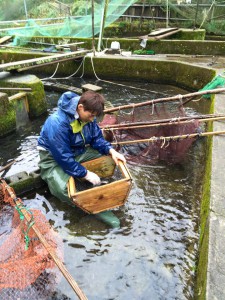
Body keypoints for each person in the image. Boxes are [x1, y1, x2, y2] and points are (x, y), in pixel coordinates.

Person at [37, 90, 126, 226]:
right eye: (91, 116)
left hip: (78, 151)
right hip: (53, 159)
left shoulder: (89, 115)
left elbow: (96, 138)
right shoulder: (57, 123)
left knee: (107, 158)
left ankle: (95, 188)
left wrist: (111, 150)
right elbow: (63, 158)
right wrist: (85, 173)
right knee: (62, 190)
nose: (92, 119)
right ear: (80, 108)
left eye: (94, 116)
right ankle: (96, 208)